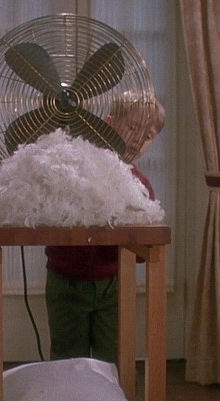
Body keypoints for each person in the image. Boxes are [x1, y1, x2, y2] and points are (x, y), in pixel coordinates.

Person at [44, 93, 166, 364]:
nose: (138, 139)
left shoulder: (140, 187)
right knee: (68, 362)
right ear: (109, 123)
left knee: (113, 360)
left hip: (114, 284)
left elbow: (142, 250)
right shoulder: (77, 168)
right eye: (132, 127)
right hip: (66, 280)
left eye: (148, 135)